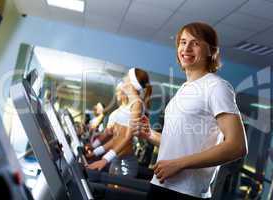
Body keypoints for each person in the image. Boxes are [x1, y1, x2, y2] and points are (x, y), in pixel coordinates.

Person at [132, 22, 248, 199]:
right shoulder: (185, 88)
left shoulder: (216, 87)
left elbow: (237, 146)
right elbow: (180, 145)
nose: (186, 48)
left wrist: (179, 164)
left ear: (211, 51)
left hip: (186, 193)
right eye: (183, 42)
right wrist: (150, 135)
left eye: (195, 43)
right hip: (161, 185)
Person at [87, 68, 152, 178]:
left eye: (126, 77)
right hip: (116, 158)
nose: (123, 79)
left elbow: (127, 138)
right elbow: (116, 138)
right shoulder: (127, 105)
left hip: (125, 163)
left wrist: (105, 159)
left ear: (132, 83)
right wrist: (95, 151)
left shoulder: (137, 104)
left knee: (114, 193)